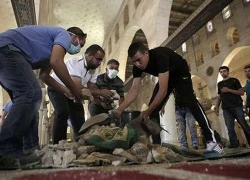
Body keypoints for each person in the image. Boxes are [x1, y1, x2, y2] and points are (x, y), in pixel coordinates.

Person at [112, 42, 222, 155]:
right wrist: (120, 110)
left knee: (189, 101)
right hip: (167, 78)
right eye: (134, 62)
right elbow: (134, 90)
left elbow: (163, 90)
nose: (137, 64)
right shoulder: (137, 66)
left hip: (180, 74)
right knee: (153, 110)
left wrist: (147, 111)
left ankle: (212, 141)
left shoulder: (160, 56)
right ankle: (157, 147)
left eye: (139, 60)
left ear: (146, 53)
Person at [0, 25, 86, 168]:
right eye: (79, 44)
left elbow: (44, 75)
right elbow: (56, 62)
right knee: (31, 94)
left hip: (7, 52)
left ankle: (29, 151)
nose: (78, 48)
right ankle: (5, 149)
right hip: (7, 50)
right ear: (74, 37)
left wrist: (65, 90)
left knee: (28, 103)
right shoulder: (63, 34)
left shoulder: (50, 49)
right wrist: (75, 90)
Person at [47, 44, 108, 144]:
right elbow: (77, 87)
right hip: (57, 87)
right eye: (98, 59)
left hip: (72, 92)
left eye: (101, 60)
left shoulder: (93, 70)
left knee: (79, 116)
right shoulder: (75, 62)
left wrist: (101, 100)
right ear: (89, 55)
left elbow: (91, 89)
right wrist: (101, 92)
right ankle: (58, 144)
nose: (99, 62)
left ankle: (81, 142)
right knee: (63, 112)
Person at [215, 66, 250, 148]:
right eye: (221, 72)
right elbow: (219, 96)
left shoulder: (234, 80)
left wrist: (229, 90)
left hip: (237, 106)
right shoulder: (219, 84)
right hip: (226, 109)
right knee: (230, 127)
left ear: (228, 72)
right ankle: (234, 145)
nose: (223, 73)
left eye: (224, 71)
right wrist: (216, 106)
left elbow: (241, 92)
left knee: (244, 125)